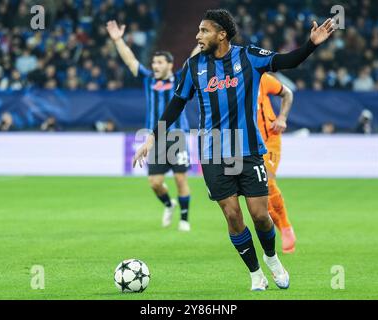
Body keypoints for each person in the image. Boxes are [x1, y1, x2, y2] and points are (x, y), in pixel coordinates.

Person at [133, 9, 335, 291]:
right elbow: (175, 105)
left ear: (222, 34)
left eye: (204, 31)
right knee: (232, 215)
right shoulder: (193, 67)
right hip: (213, 152)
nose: (197, 36)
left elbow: (286, 60)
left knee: (260, 216)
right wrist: (153, 138)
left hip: (248, 147)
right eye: (198, 30)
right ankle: (256, 274)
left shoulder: (248, 56)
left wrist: (311, 44)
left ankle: (273, 260)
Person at [106, 20, 200, 232]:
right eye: (154, 63)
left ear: (169, 64)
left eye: (159, 63)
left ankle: (184, 219)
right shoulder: (148, 79)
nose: (155, 66)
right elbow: (131, 61)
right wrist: (118, 40)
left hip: (178, 136)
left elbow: (195, 56)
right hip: (154, 139)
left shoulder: (179, 78)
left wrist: (204, 39)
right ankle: (169, 204)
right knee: (155, 183)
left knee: (180, 178)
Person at [256, 73, 296, 254]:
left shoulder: (262, 79)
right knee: (258, 197)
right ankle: (282, 228)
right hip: (247, 146)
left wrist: (282, 118)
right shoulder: (228, 84)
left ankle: (286, 226)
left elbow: (287, 93)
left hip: (269, 139)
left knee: (267, 182)